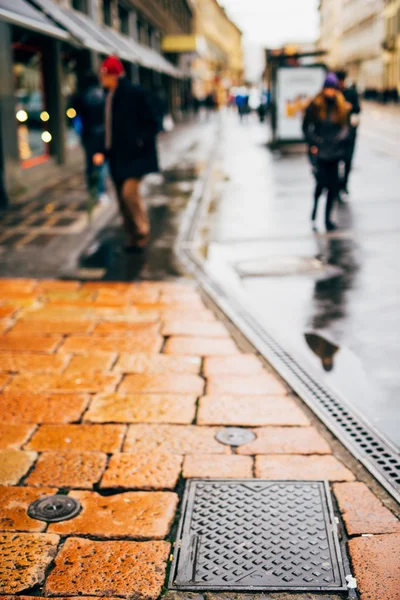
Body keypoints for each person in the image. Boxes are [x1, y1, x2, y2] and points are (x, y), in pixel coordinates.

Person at [95, 56, 159, 251]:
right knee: (122, 200)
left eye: (104, 74)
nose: (101, 78)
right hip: (116, 157)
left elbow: (153, 122)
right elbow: (106, 127)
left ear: (112, 75)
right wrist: (101, 151)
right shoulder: (108, 96)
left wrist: (139, 142)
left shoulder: (134, 94)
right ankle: (132, 236)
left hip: (135, 157)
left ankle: (142, 231)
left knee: (129, 193)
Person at [302, 73, 350, 231]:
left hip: (335, 151)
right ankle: (315, 207)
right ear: (323, 89)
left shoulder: (341, 106)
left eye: (333, 89)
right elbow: (306, 127)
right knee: (321, 183)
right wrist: (314, 142)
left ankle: (328, 218)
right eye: (328, 88)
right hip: (320, 150)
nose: (331, 92)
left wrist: (340, 138)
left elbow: (345, 127)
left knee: (333, 186)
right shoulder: (315, 105)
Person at [73, 73, 108, 204]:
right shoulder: (103, 96)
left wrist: (80, 133)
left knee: (91, 165)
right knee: (102, 165)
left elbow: (75, 119)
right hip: (102, 137)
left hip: (88, 138)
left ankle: (93, 191)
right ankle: (100, 191)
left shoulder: (80, 98)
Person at [336, 70, 361, 196]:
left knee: (348, 160)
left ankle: (344, 184)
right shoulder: (334, 93)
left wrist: (351, 106)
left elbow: (358, 109)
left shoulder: (351, 93)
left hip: (350, 133)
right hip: (336, 134)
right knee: (335, 160)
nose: (341, 83)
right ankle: (337, 184)